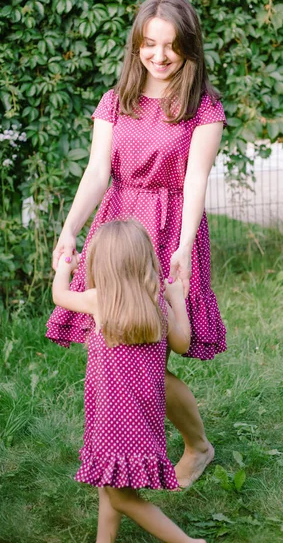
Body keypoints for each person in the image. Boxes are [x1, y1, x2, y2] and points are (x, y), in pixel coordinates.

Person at [47, 0, 226, 488]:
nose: (160, 55)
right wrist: (70, 227)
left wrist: (184, 247)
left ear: (189, 47)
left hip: (169, 229)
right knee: (117, 347)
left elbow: (195, 182)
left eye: (171, 46)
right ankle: (124, 450)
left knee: (151, 351)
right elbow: (98, 171)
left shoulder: (202, 109)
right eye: (150, 44)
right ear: (137, 44)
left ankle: (196, 445)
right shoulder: (116, 100)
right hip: (118, 231)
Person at [52, 219, 206, 543]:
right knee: (111, 483)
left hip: (112, 417)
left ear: (100, 264)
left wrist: (67, 262)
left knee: (121, 496)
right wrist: (177, 299)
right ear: (146, 259)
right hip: (143, 415)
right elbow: (182, 343)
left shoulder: (98, 300)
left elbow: (59, 295)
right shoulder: (156, 304)